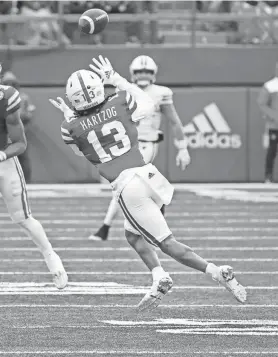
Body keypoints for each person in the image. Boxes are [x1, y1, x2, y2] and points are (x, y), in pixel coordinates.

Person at [50, 55, 247, 311]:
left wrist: (71, 116)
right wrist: (117, 79)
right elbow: (147, 105)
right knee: (132, 235)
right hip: (150, 177)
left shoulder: (69, 127)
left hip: (127, 186)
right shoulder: (119, 101)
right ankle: (159, 276)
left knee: (167, 243)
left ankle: (217, 272)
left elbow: (81, 149)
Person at [90, 55, 189, 241]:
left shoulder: (161, 93)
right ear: (133, 74)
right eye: (139, 71)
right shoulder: (125, 90)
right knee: (133, 185)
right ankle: (158, 208)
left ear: (154, 74)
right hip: (127, 144)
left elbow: (174, 122)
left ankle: (105, 228)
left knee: (124, 183)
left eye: (147, 71)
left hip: (146, 144)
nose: (143, 74)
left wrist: (182, 148)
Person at [0, 65, 68, 289]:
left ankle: (51, 257)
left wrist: (1, 154)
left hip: (4, 162)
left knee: (23, 218)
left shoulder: (7, 98)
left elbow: (20, 143)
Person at [2, 71, 35, 183]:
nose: (10, 85)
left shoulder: (23, 97)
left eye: (12, 83)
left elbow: (30, 114)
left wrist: (16, 114)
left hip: (20, 132)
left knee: (23, 158)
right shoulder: (2, 97)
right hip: (4, 134)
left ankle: (27, 182)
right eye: (7, 82)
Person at [258, 61, 278, 183]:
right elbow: (262, 104)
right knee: (272, 150)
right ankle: (268, 176)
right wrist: (275, 116)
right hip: (274, 126)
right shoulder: (270, 86)